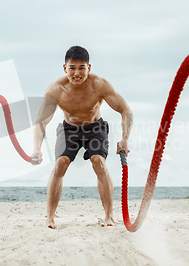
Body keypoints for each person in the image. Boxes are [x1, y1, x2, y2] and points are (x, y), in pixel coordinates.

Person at [31, 46, 132, 229]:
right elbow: (41, 122)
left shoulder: (100, 85)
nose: (77, 73)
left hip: (95, 127)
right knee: (60, 164)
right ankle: (50, 218)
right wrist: (37, 148)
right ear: (64, 68)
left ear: (89, 67)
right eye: (72, 68)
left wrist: (125, 139)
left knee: (98, 162)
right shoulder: (55, 90)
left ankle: (109, 216)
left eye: (81, 68)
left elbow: (125, 110)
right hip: (69, 129)